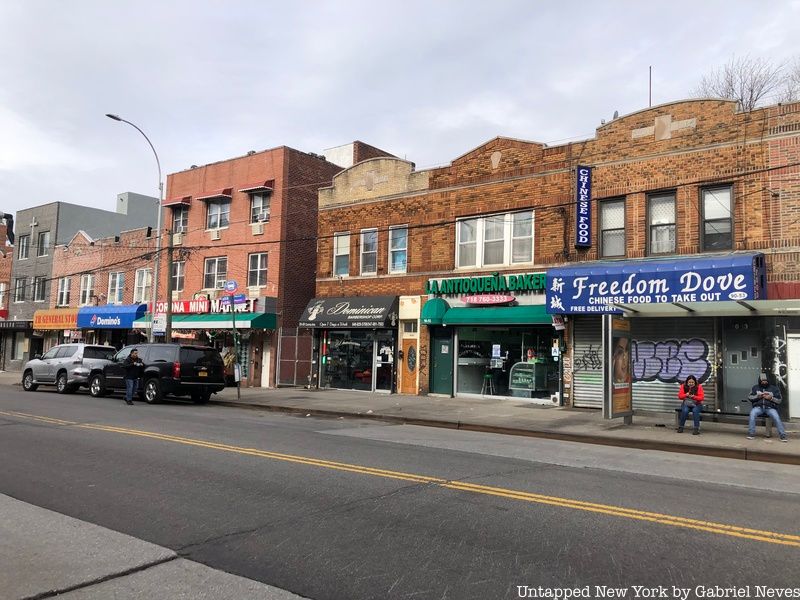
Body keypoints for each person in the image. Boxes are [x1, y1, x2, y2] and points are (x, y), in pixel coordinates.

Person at [747, 373, 788, 442]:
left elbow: (779, 400)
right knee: (752, 414)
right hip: (758, 407)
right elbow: (749, 397)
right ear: (759, 381)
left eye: (765, 380)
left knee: (776, 417)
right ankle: (751, 434)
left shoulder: (774, 388)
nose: (764, 382)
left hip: (770, 408)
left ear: (768, 380)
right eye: (762, 380)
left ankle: (782, 435)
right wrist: (757, 397)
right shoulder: (755, 387)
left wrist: (771, 398)